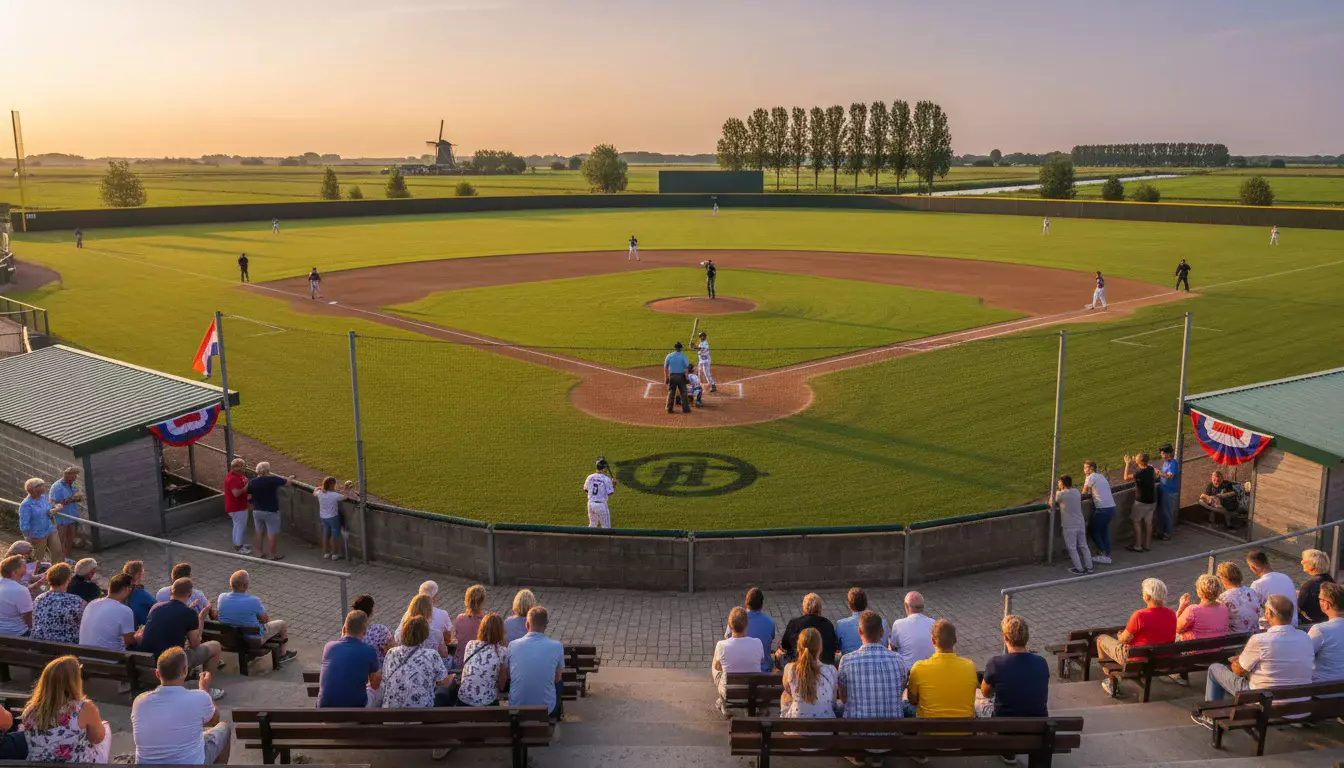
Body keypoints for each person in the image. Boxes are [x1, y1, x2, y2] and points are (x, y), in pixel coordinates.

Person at [1194, 595, 1311, 728]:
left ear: (1268, 613)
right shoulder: (1305, 637)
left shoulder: (1260, 640)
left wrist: (1238, 659)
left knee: (1215, 669)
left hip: (1265, 703)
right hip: (1299, 706)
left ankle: (1210, 716)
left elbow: (1238, 671)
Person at [131, 646, 231, 765]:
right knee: (224, 728)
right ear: (185, 671)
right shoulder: (199, 697)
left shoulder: (139, 702)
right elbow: (214, 721)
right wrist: (204, 690)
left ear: (157, 674)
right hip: (191, 764)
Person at [140, 578, 224, 699]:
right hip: (171, 663)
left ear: (171, 591)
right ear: (189, 594)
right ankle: (206, 688)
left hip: (147, 661)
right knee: (215, 646)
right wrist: (200, 618)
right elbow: (195, 644)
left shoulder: (156, 609)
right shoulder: (189, 613)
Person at [20, 656, 110, 764]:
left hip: (38, 765)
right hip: (78, 764)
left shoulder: (30, 711)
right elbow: (97, 739)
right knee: (105, 727)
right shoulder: (84, 707)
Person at [1096, 578, 1176, 697]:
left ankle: (1111, 679)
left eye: (1143, 592)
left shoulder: (1140, 615)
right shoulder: (1171, 613)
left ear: (1147, 597)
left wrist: (1119, 635)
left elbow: (1123, 639)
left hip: (1136, 660)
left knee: (1101, 639)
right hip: (1162, 660)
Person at [836, 611, 909, 720]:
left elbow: (843, 698)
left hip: (857, 728)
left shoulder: (846, 661)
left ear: (859, 631)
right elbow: (900, 690)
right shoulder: (899, 660)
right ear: (882, 632)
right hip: (893, 729)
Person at [978, 615, 1049, 721]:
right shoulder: (1041, 662)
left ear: (1004, 637)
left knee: (977, 698)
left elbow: (985, 693)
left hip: (1003, 726)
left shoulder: (995, 663)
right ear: (1027, 637)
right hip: (1037, 725)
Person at [217, 570, 297, 663]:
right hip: (253, 641)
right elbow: (265, 620)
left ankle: (251, 656)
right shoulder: (254, 600)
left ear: (231, 584)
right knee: (282, 624)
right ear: (245, 585)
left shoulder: (221, 597)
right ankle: (283, 654)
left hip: (228, 640)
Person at [907, 619, 977, 718]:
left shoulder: (919, 668)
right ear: (955, 640)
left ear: (932, 640)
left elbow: (912, 700)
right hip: (964, 727)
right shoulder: (970, 666)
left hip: (928, 727)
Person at [507, 606, 566, 718]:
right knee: (559, 684)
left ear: (527, 624)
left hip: (517, 708)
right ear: (545, 626)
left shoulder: (512, 645)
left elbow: (510, 675)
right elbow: (557, 679)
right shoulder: (557, 646)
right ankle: (557, 714)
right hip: (547, 709)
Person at [381, 617, 450, 710]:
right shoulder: (432, 655)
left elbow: (385, 679)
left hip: (391, 712)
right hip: (421, 713)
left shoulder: (391, 653)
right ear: (425, 635)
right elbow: (442, 682)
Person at [319, 610, 381, 708]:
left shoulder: (329, 647)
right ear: (364, 632)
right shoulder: (369, 650)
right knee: (381, 690)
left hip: (324, 712)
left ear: (344, 629)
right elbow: (375, 684)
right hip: (356, 712)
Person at [712, 607, 765, 715]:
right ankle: (749, 707)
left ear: (729, 625)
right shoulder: (757, 643)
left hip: (729, 694)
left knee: (715, 666)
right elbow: (762, 662)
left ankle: (723, 703)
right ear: (746, 625)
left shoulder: (721, 645)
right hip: (752, 692)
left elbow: (717, 667)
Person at [781, 627, 837, 719]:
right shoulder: (831, 670)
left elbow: (789, 691)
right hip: (826, 725)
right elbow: (833, 702)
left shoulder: (790, 668)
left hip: (795, 725)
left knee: (785, 694)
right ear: (820, 648)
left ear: (798, 647)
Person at [457, 613, 511, 707]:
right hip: (487, 704)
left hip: (463, 701)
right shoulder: (502, 651)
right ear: (501, 631)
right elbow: (501, 685)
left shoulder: (470, 644)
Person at [78, 573, 140, 652]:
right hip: (110, 658)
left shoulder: (92, 603)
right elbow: (129, 641)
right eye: (132, 587)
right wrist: (139, 635)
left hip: (84, 654)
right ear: (126, 589)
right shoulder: (125, 610)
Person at [774, 594, 838, 669]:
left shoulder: (794, 623)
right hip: (825, 664)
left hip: (799, 666)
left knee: (778, 654)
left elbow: (785, 646)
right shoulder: (828, 624)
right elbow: (833, 646)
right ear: (820, 608)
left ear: (804, 608)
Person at [30, 564, 85, 644]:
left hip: (38, 646)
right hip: (67, 648)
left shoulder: (39, 599)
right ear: (68, 579)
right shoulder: (76, 601)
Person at [724, 587, 776, 672]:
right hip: (763, 672)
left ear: (746, 602)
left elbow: (728, 637)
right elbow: (771, 638)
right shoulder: (770, 622)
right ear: (761, 605)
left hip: (736, 671)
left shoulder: (736, 619)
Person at [247, 462, 289, 559]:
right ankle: (272, 554)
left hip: (257, 511)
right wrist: (291, 477)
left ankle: (258, 552)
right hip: (271, 512)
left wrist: (253, 504)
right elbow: (287, 483)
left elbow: (249, 496)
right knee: (272, 533)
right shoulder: (272, 479)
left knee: (259, 532)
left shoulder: (253, 482)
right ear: (267, 470)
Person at [19, 478, 65, 564]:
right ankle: (35, 571)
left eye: (43, 485)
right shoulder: (26, 504)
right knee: (37, 557)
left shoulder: (43, 498)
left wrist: (56, 508)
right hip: (37, 534)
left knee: (57, 551)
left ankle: (57, 569)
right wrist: (29, 538)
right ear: (33, 489)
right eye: (40, 486)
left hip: (50, 529)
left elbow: (48, 511)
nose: (44, 487)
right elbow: (24, 523)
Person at [1054, 475, 1093, 575]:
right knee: (1083, 545)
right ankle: (1089, 567)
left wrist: (1054, 493)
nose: (1058, 484)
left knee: (1072, 547)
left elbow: (1052, 503)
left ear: (1062, 484)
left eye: (1059, 483)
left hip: (1069, 525)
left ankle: (1079, 569)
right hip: (1080, 522)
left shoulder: (1061, 494)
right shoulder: (1076, 492)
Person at [1247, 550, 1299, 626]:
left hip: (1274, 627)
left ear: (1253, 568)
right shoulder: (1285, 577)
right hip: (1294, 623)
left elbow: (1251, 610)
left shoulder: (1257, 584)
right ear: (1267, 562)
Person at [888, 591, 936, 671]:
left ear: (906, 606)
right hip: (929, 669)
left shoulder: (898, 624)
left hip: (908, 670)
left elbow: (893, 647)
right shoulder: (934, 623)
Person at [835, 587, 888, 656]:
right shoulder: (882, 622)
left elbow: (837, 646)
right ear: (866, 603)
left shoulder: (841, 625)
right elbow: (885, 645)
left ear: (849, 605)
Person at [1176, 574, 1230, 641]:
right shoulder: (1224, 608)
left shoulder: (1193, 610)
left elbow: (1176, 629)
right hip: (1218, 646)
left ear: (1199, 592)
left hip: (1194, 647)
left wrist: (1181, 608)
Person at [1216, 561, 1264, 634]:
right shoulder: (1251, 592)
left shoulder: (1223, 598)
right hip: (1255, 634)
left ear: (1224, 579)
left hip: (1235, 638)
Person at [1123, 453, 1157, 553]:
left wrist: (1127, 464)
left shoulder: (1140, 473)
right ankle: (1147, 545)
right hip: (1152, 501)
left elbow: (1126, 477)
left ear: (1139, 462)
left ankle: (1138, 546)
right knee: (1148, 523)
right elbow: (1141, 468)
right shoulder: (1151, 469)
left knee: (1136, 521)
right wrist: (1136, 463)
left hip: (1141, 502)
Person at [1310, 582, 1344, 682]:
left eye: (1320, 599)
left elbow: (1303, 656)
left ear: (1326, 604)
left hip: (1323, 687)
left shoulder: (1320, 630)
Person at [48, 467, 83, 564]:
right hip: (62, 517)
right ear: (66, 476)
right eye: (71, 479)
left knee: (70, 538)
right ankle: (59, 560)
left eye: (75, 478)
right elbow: (53, 503)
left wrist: (77, 498)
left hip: (72, 515)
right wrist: (71, 499)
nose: (73, 481)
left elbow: (72, 499)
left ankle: (68, 557)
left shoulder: (71, 484)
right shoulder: (57, 487)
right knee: (60, 539)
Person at [1082, 461, 1115, 564]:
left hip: (1102, 509)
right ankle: (1107, 554)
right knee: (1104, 531)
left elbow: (1084, 493)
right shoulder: (1101, 476)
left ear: (1091, 468)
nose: (1084, 470)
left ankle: (1103, 553)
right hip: (1111, 508)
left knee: (1093, 530)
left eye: (1086, 468)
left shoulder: (1090, 477)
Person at [314, 476, 351, 560]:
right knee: (334, 536)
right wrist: (346, 489)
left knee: (326, 535)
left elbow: (314, 492)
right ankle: (335, 554)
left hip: (324, 517)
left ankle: (326, 553)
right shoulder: (334, 495)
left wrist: (318, 488)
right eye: (334, 484)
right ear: (331, 485)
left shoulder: (320, 493)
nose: (335, 485)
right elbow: (345, 497)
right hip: (333, 518)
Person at [351, 594, 393, 663]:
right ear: (372, 610)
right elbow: (391, 652)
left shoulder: (349, 631)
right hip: (378, 668)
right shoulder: (380, 630)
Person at [453, 584, 487, 668]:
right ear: (483, 601)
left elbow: (457, 637)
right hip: (479, 664)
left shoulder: (460, 618)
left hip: (461, 661)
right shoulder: (486, 621)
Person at [415, 582, 454, 656]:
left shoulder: (408, 614)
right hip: (434, 655)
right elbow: (447, 638)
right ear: (435, 597)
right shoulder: (443, 614)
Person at [1298, 549, 1336, 624]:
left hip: (1312, 623)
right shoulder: (1330, 580)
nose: (1301, 562)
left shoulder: (1309, 585)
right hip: (1328, 619)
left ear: (1313, 564)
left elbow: (1301, 606)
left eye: (1304, 560)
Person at [223, 458, 252, 555]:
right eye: (241, 466)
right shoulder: (233, 478)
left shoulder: (237, 476)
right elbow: (236, 493)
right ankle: (239, 547)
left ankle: (239, 544)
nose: (243, 468)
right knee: (240, 526)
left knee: (238, 526)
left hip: (238, 506)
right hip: (237, 507)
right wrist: (247, 487)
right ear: (235, 467)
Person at [0, 555, 34, 637]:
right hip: (16, 634)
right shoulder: (21, 590)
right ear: (14, 572)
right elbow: (28, 618)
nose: (26, 567)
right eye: (23, 566)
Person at [1153, 444, 1179, 541]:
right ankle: (1161, 531)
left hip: (1170, 492)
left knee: (1167, 513)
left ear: (1168, 453)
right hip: (1163, 490)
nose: (1161, 455)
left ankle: (1167, 533)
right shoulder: (1165, 463)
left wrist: (1157, 471)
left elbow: (1169, 476)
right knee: (1162, 512)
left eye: (1163, 453)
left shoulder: (1173, 463)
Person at [583, 457, 617, 528]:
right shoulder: (606, 479)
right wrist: (614, 485)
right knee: (606, 527)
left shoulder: (590, 477)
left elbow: (586, 489)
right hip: (601, 505)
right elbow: (610, 493)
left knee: (592, 524)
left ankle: (589, 535)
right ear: (604, 469)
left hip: (590, 504)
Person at [123, 560, 157, 627]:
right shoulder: (140, 593)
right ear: (138, 574)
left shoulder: (122, 590)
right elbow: (157, 606)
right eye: (142, 570)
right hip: (142, 627)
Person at [664, 341, 692, 415]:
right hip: (681, 377)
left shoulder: (669, 356)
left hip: (672, 376)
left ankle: (669, 409)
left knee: (671, 392)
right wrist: (687, 378)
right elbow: (686, 369)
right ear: (681, 348)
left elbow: (665, 368)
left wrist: (666, 378)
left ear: (675, 348)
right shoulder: (684, 356)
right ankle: (686, 409)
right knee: (683, 393)